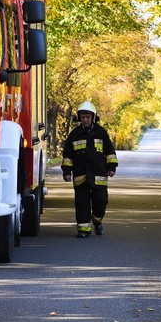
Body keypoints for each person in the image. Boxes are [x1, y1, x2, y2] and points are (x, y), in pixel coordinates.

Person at [61, 101, 118, 238]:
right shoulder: (74, 135)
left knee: (101, 201)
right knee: (81, 203)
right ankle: (83, 229)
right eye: (83, 117)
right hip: (80, 175)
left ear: (93, 117)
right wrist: (67, 172)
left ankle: (97, 220)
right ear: (79, 118)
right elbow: (68, 155)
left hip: (99, 175)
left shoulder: (101, 133)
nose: (85, 120)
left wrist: (111, 168)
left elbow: (110, 152)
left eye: (88, 117)